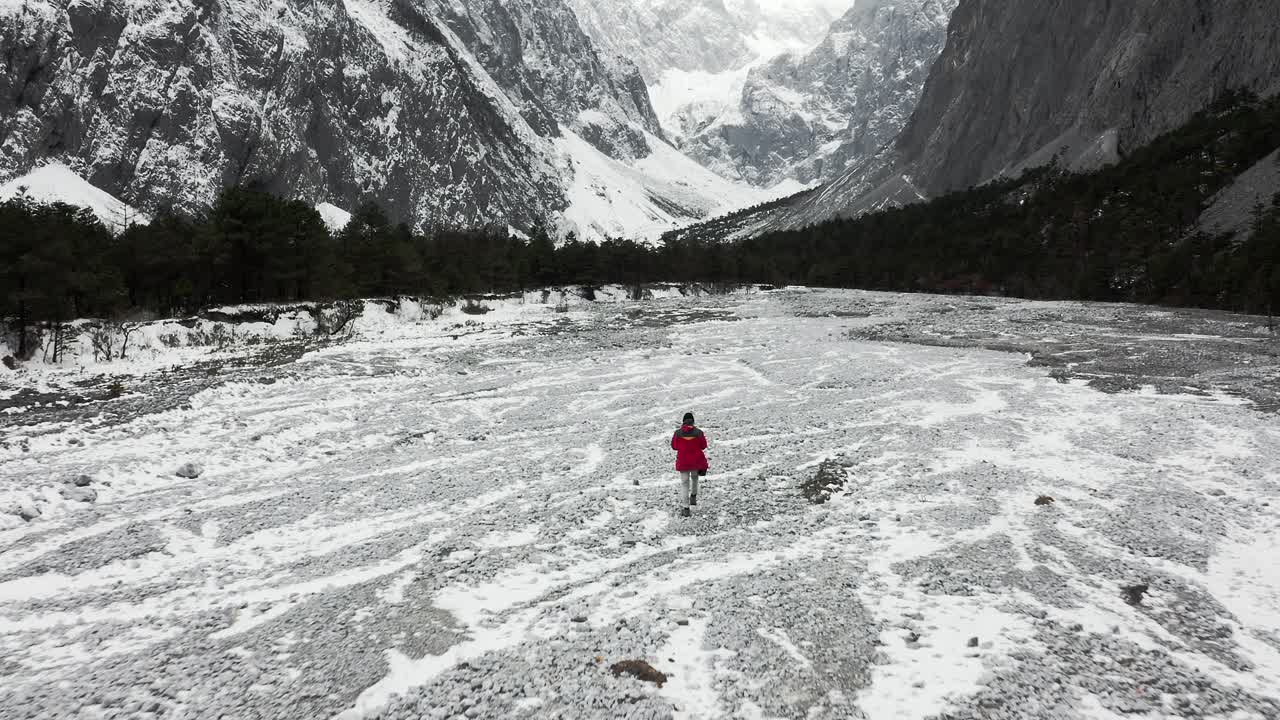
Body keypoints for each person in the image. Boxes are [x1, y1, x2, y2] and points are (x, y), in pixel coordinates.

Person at [671, 412, 709, 517]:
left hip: (683, 461)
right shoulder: (699, 432)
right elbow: (703, 446)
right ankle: (693, 496)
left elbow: (674, 446)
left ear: (683, 421)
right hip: (696, 461)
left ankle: (686, 508)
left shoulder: (677, 433)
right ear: (693, 421)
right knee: (695, 478)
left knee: (684, 483)